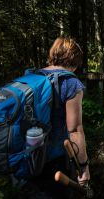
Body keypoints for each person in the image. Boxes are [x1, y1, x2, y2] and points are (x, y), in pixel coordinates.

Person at [39, 37, 90, 187]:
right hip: (54, 159)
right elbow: (74, 130)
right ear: (75, 59)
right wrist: (84, 167)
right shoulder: (70, 83)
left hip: (28, 153)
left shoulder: (35, 75)